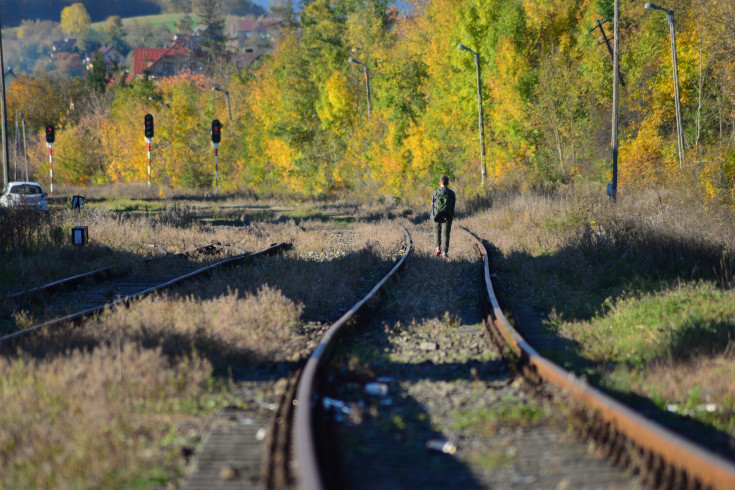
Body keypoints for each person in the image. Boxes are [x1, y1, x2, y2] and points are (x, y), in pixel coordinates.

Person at [431, 175, 456, 259]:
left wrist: (433, 215)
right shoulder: (452, 193)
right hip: (448, 216)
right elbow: (453, 205)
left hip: (437, 215)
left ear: (440, 183)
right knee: (446, 234)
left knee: (436, 232)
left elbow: (433, 205)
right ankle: (444, 253)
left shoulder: (436, 192)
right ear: (448, 183)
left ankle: (437, 248)